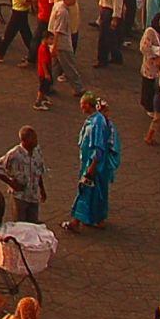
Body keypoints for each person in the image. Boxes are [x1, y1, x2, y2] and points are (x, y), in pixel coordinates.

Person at [64, 93, 118, 232]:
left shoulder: (97, 123)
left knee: (85, 190)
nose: (81, 108)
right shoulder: (94, 120)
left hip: (94, 164)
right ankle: (97, 219)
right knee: (96, 192)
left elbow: (98, 147)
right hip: (92, 163)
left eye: (83, 105)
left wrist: (92, 167)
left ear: (88, 105)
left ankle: (76, 221)